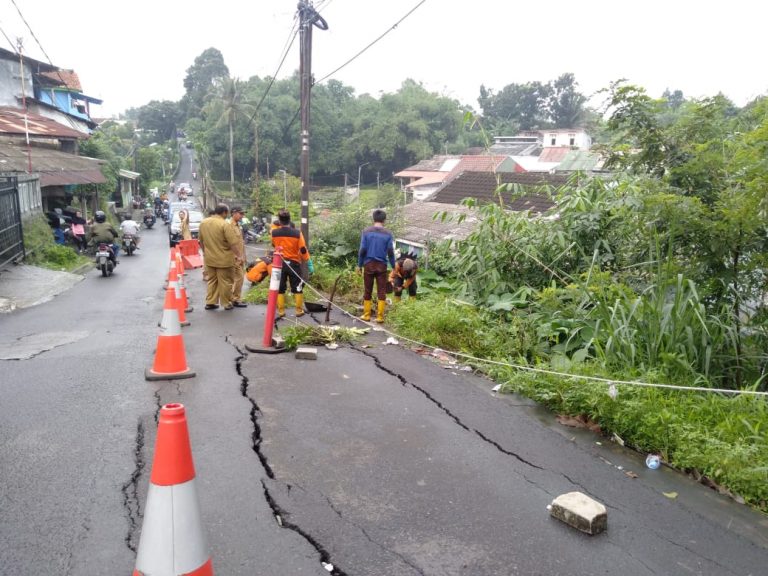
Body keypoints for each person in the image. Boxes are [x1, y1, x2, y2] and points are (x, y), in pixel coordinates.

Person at [198, 204, 242, 311]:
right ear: (224, 212)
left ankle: (210, 302)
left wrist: (205, 252)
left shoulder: (203, 223)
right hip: (224, 259)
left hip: (209, 258)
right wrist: (239, 256)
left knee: (212, 281)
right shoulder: (224, 224)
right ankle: (226, 303)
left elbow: (201, 241)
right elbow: (232, 243)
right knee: (225, 281)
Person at [271, 209, 311, 317]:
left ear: (279, 220)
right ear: (290, 219)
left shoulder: (274, 233)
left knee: (280, 288)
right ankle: (298, 311)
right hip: (294, 263)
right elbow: (302, 249)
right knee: (297, 287)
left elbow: (273, 244)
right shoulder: (297, 233)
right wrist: (308, 261)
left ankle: (281, 311)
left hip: (280, 264)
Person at [357, 208, 395, 323]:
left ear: (373, 219)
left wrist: (359, 265)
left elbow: (362, 249)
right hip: (382, 265)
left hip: (368, 264)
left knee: (367, 290)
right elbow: (390, 252)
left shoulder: (366, 231)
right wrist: (393, 267)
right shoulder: (388, 234)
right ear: (384, 220)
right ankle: (380, 317)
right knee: (381, 291)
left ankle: (367, 315)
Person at [228, 206, 248, 308]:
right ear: (234, 213)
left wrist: (244, 255)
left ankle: (234, 298)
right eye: (240, 214)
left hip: (239, 256)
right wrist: (236, 256)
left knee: (238, 278)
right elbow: (230, 243)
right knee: (237, 278)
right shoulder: (229, 225)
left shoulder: (237, 225)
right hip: (234, 257)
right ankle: (234, 299)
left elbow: (241, 242)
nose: (242, 216)